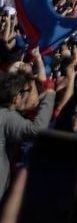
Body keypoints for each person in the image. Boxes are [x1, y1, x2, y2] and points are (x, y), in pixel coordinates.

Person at [0, 55, 60, 200]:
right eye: (24, 94)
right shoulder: (7, 116)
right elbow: (36, 129)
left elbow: (31, 104)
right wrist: (50, 95)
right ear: (16, 98)